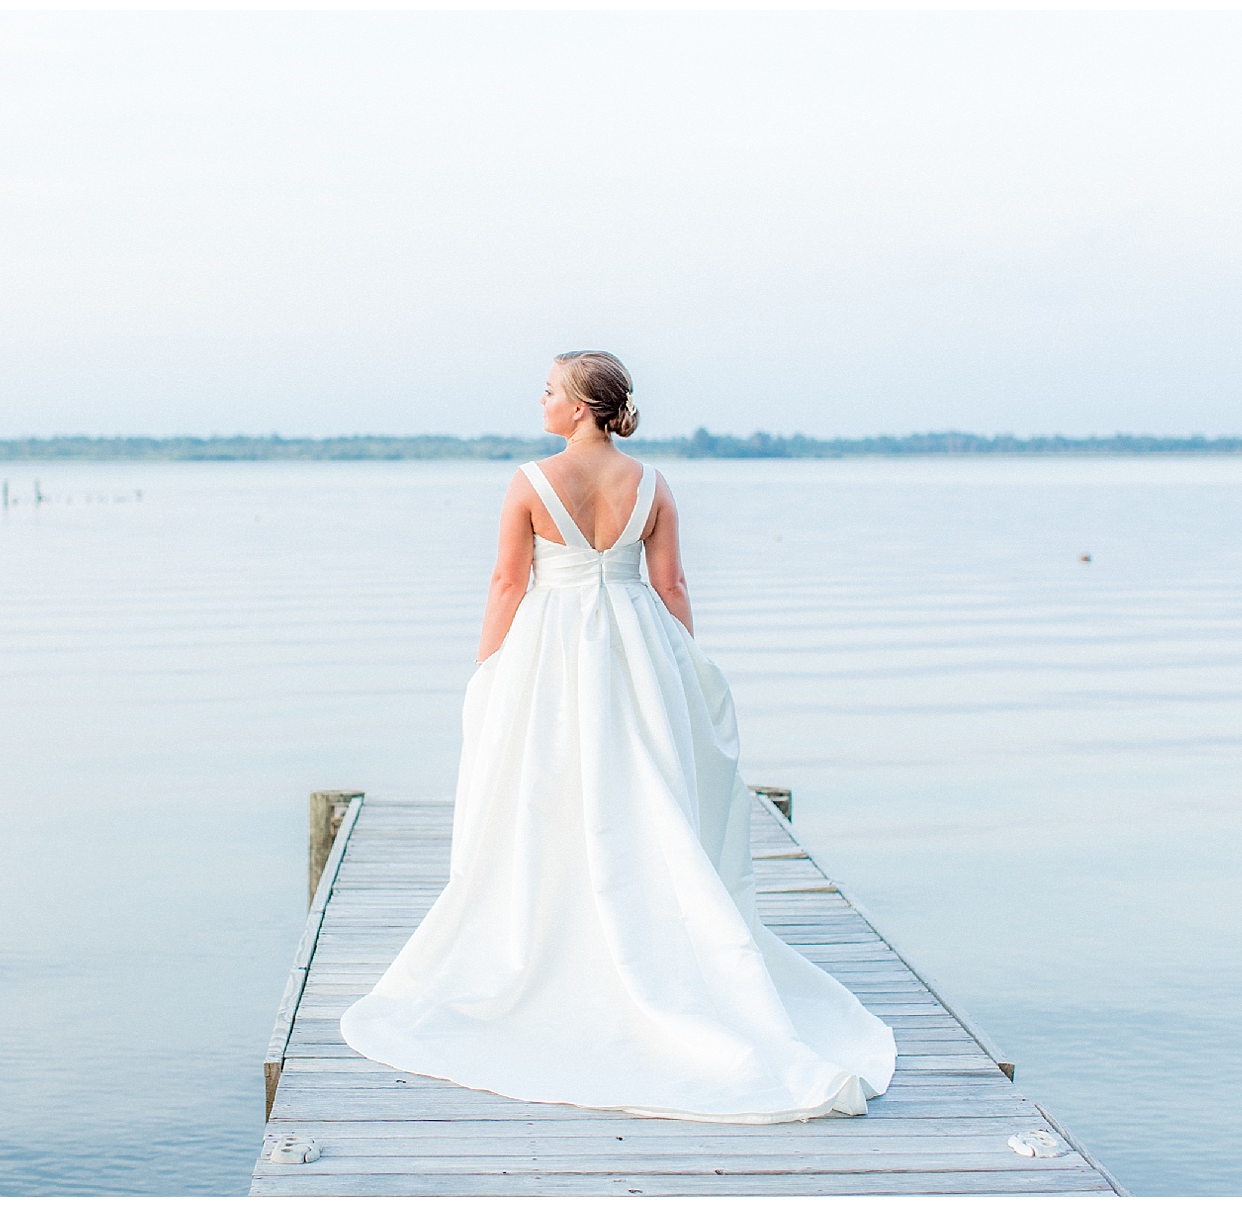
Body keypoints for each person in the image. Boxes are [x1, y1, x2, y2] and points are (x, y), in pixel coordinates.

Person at [339, 351, 896, 1122]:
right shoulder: (654, 485)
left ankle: (561, 929)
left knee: (551, 785)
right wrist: (687, 667)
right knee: (642, 786)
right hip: (637, 649)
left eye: (548, 389)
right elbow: (670, 586)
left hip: (552, 651)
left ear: (578, 408)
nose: (539, 397)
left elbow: (507, 584)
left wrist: (488, 675)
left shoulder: (531, 482)